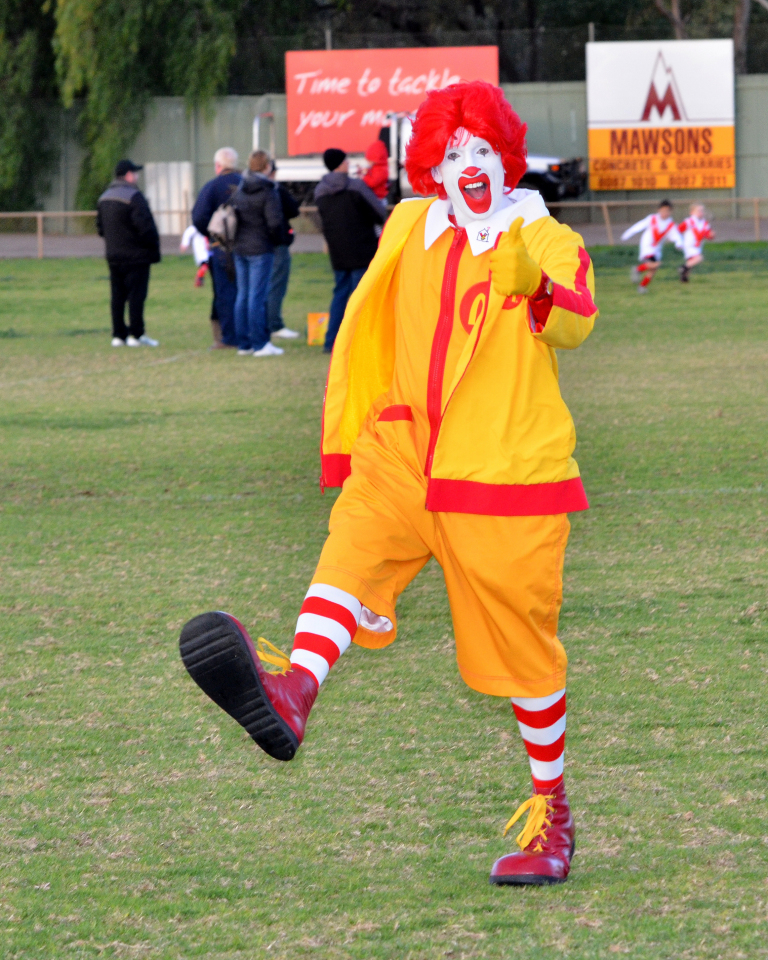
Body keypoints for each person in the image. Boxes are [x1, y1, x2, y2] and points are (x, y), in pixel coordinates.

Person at [179, 81, 598, 887]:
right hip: (405, 449)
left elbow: (576, 317)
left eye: (481, 152)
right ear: (431, 165)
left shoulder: (544, 236)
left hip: (501, 471)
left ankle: (554, 817)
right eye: (449, 154)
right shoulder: (412, 221)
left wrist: (530, 282)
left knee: (525, 659)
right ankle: (295, 689)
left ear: (505, 158)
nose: (465, 167)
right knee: (352, 550)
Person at [314, 147, 387, 352]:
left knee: (340, 293)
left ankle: (331, 341)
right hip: (362, 248)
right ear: (340, 164)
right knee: (361, 296)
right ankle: (358, 340)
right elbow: (378, 212)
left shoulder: (320, 191)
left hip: (338, 251)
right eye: (346, 161)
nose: (348, 164)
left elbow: (322, 221)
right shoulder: (356, 186)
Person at [96, 159, 161, 347]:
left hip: (113, 255)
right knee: (136, 295)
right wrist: (151, 247)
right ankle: (136, 334)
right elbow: (145, 227)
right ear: (128, 175)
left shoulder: (104, 198)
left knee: (117, 296)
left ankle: (118, 335)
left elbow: (100, 228)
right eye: (135, 173)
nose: (137, 176)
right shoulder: (134, 196)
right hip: (136, 256)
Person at [230, 150, 284, 357]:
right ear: (266, 166)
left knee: (242, 296)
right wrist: (279, 239)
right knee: (257, 297)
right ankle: (261, 343)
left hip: (240, 247)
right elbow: (275, 222)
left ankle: (244, 344)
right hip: (260, 248)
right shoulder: (267, 190)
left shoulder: (241, 187)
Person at [192, 147, 241, 349]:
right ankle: (251, 333)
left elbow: (198, 217)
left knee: (224, 293)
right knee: (248, 291)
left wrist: (212, 233)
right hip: (247, 246)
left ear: (218, 166)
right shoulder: (246, 183)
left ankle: (229, 337)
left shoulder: (211, 187)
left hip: (221, 248)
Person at [265, 162, 301, 340]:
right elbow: (293, 209)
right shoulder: (273, 188)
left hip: (251, 245)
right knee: (276, 284)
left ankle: (258, 325)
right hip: (276, 243)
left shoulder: (244, 187)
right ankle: (274, 324)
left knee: (254, 289)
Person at [621, 199, 678, 293]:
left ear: (670, 212)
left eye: (667, 211)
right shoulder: (652, 218)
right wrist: (627, 234)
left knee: (653, 270)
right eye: (663, 210)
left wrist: (678, 243)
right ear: (659, 210)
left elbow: (675, 235)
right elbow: (639, 226)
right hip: (647, 247)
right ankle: (637, 270)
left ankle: (641, 286)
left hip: (657, 249)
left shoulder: (670, 223)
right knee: (656, 264)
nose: (665, 213)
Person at [676, 204, 715, 282]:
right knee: (699, 258)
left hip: (698, 246)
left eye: (702, 211)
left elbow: (708, 235)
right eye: (698, 211)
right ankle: (682, 268)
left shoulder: (705, 223)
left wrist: (711, 235)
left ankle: (684, 279)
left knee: (691, 263)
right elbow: (678, 230)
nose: (701, 212)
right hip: (689, 245)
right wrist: (678, 241)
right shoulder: (689, 221)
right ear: (692, 212)